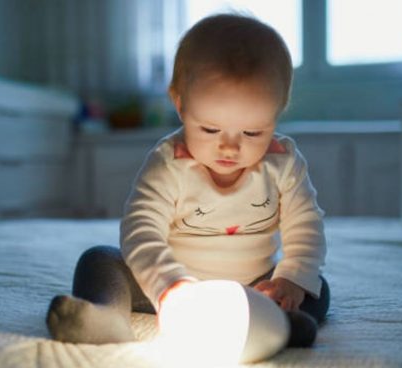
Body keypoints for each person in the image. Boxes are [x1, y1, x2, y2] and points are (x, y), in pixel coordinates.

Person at [46, 13, 329, 348]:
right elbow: (141, 228)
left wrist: (290, 279)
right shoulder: (170, 162)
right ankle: (107, 316)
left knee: (316, 287)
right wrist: (168, 284)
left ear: (276, 114)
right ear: (180, 104)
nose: (230, 147)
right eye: (210, 129)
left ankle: (279, 319)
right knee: (99, 261)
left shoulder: (282, 160)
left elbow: (305, 226)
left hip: (254, 285)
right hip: (171, 283)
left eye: (253, 132)